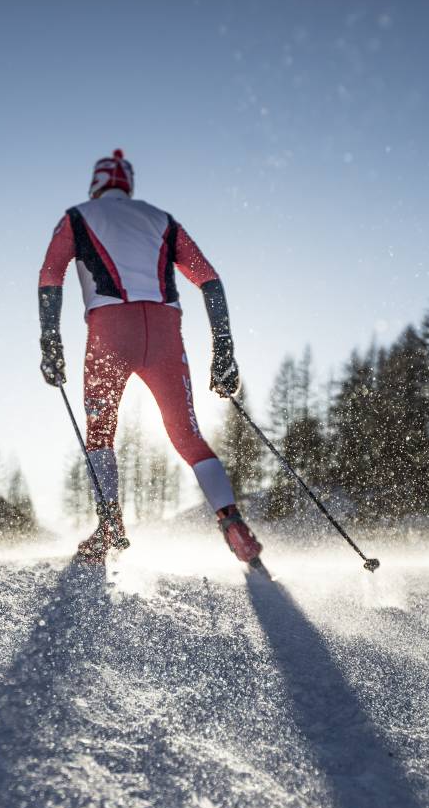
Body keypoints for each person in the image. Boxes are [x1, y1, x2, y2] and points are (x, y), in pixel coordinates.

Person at [38, 149, 263, 566]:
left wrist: (50, 339)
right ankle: (231, 521)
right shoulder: (162, 218)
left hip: (110, 331)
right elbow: (210, 280)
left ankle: (110, 528)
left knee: (101, 432)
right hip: (164, 332)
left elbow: (51, 276)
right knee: (187, 434)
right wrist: (224, 349)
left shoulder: (77, 216)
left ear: (97, 183)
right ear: (128, 184)